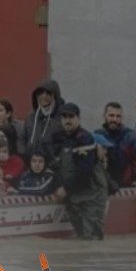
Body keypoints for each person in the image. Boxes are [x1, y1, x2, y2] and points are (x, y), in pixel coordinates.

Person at [47, 102, 105, 240]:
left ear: (78, 118)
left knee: (91, 238)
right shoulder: (58, 138)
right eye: (64, 117)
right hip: (72, 197)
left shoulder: (85, 138)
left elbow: (85, 172)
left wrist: (64, 189)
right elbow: (54, 165)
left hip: (90, 195)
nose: (67, 120)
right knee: (79, 238)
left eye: (71, 117)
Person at [95, 101, 136, 188]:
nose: (115, 119)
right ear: (104, 116)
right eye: (111, 115)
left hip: (128, 187)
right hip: (104, 186)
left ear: (122, 118)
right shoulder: (97, 136)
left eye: (118, 116)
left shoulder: (132, 137)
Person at [22, 80, 64, 155]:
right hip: (31, 160)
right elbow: (22, 140)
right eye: (40, 93)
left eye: (48, 93)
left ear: (55, 95)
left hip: (53, 161)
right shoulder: (31, 119)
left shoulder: (62, 118)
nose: (44, 96)